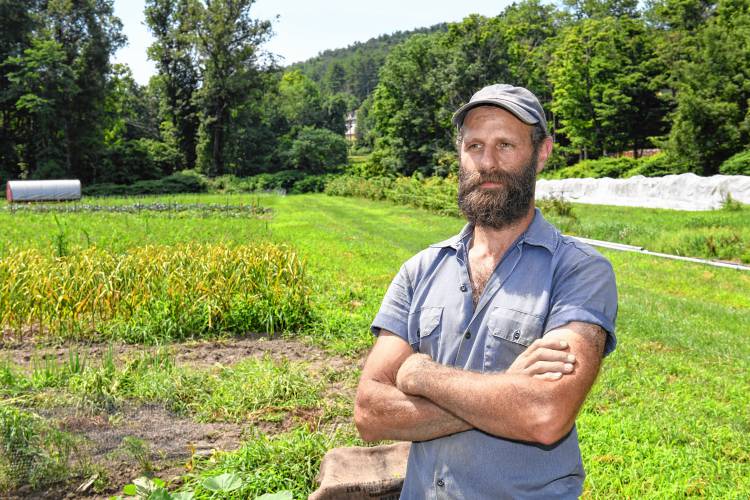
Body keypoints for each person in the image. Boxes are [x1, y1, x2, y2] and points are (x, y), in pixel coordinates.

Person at [354, 84, 618, 499]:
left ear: (542, 152)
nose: (487, 162)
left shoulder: (579, 271)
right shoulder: (420, 270)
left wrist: (420, 374)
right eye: (474, 145)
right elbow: (370, 412)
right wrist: (506, 391)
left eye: (505, 145)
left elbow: (545, 413)